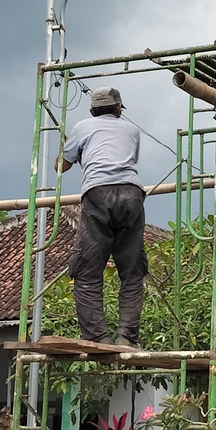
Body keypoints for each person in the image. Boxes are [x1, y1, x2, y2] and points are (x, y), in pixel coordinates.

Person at [56, 87, 147, 347]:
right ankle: (126, 338)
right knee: (132, 272)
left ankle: (98, 338)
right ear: (118, 108)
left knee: (87, 272)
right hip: (131, 193)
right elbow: (124, 159)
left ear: (92, 110)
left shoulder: (82, 127)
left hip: (97, 193)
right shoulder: (132, 130)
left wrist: (69, 148)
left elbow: (60, 167)